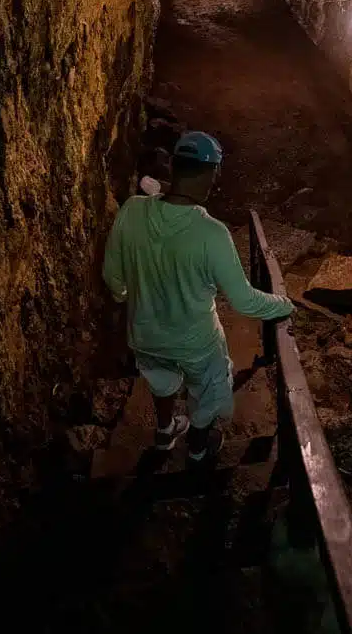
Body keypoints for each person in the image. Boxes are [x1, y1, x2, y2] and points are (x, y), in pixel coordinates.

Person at [102, 131, 293, 461]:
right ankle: (199, 446)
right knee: (209, 390)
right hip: (196, 341)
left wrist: (124, 298)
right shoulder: (212, 234)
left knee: (161, 381)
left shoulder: (132, 211)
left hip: (145, 334)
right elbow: (245, 301)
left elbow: (112, 277)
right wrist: (283, 303)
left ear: (173, 166)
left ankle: (165, 433)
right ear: (213, 174)